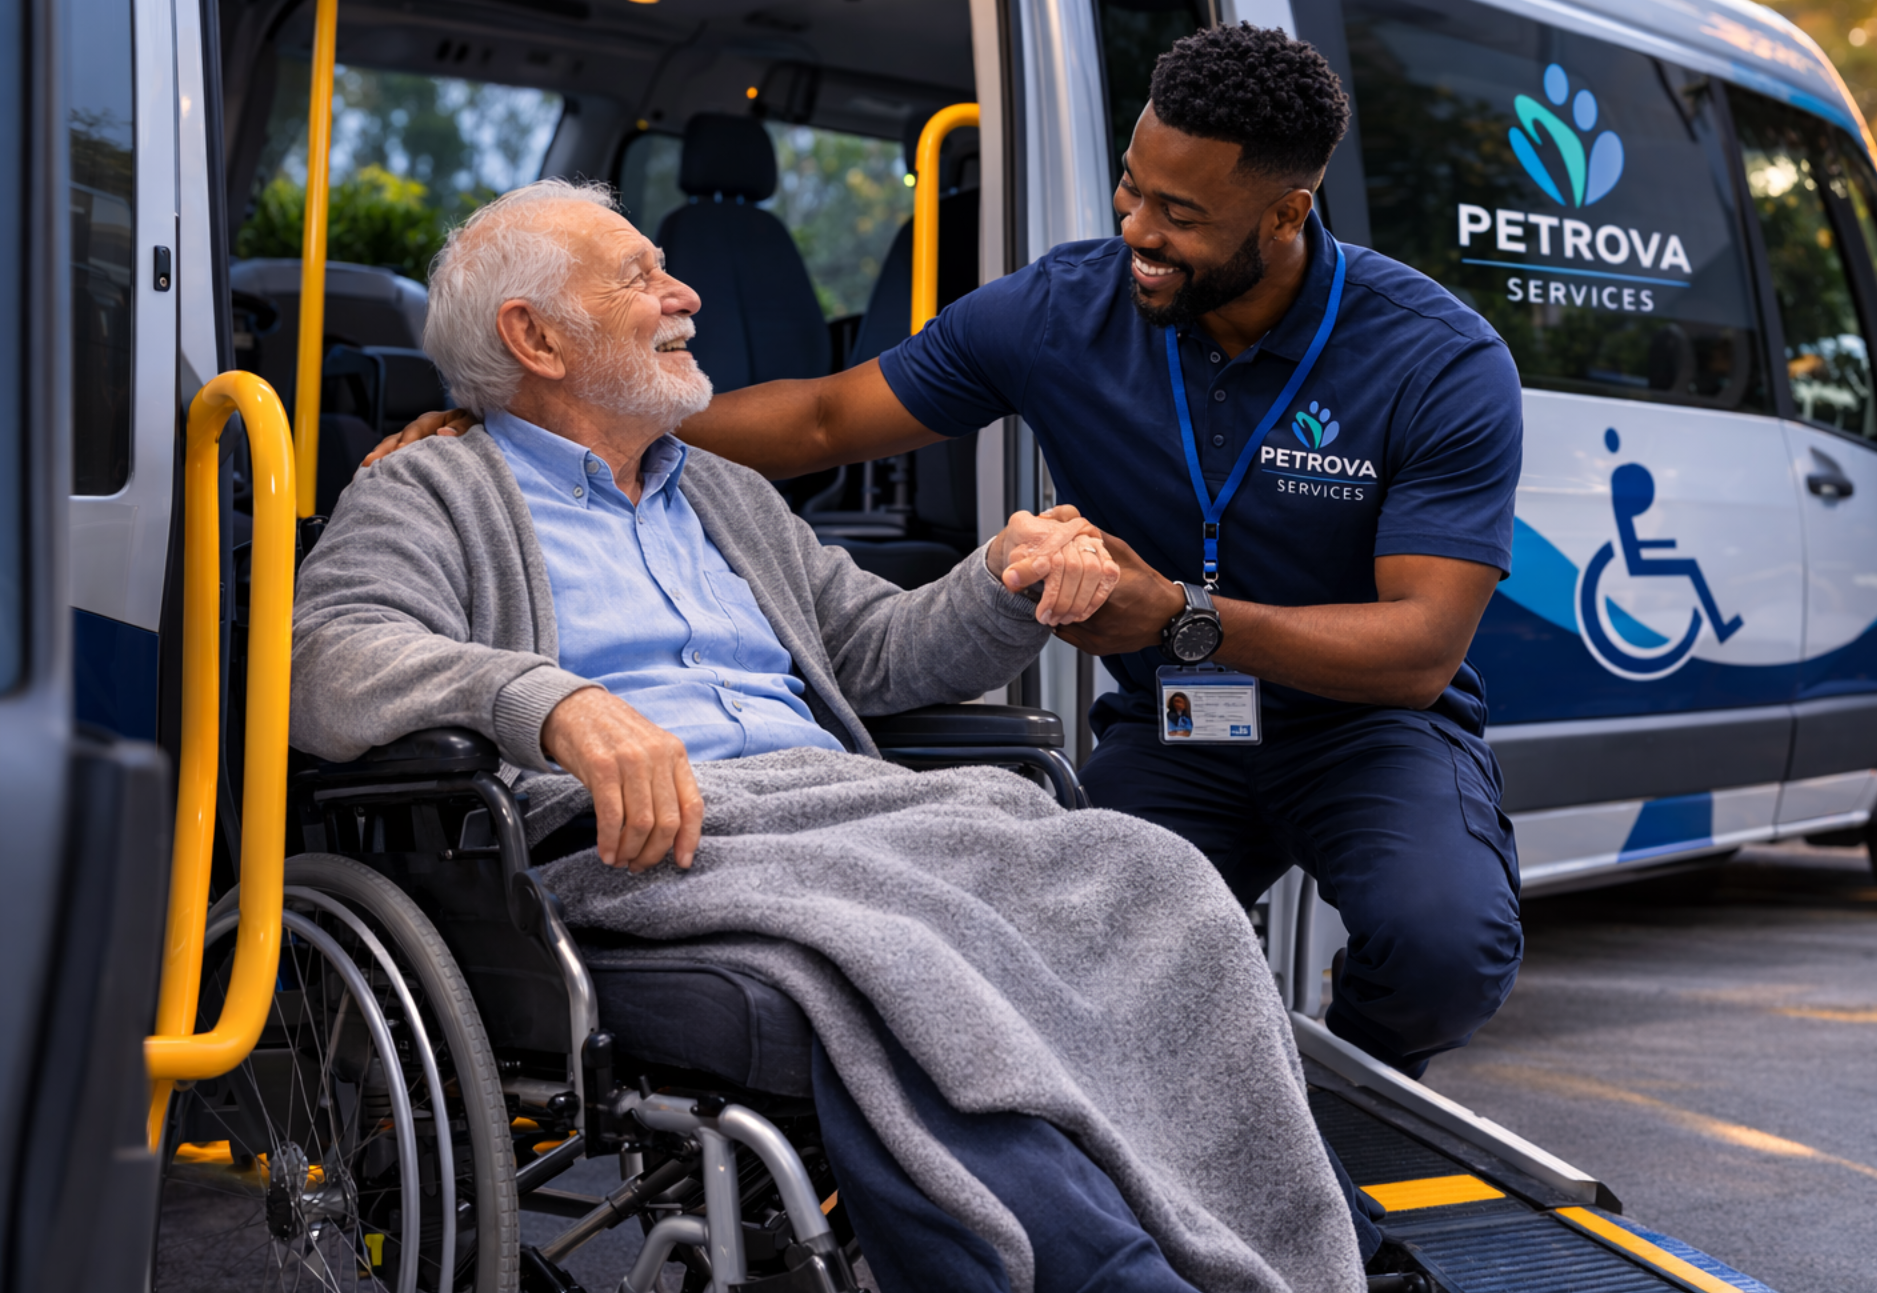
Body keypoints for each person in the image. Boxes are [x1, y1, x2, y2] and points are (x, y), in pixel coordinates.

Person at [374, 24, 1525, 1080]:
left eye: (1178, 214)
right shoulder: (1059, 310)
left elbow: (1418, 650)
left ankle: (1349, 1103)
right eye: (1130, 188)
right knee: (1088, 952)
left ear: (1284, 214)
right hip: (1177, 729)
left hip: (1363, 726)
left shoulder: (1434, 360)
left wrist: (1180, 616)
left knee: (1440, 952)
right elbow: (824, 421)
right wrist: (542, 415)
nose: (1135, 231)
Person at [298, 180, 1378, 1292]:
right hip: (647, 844)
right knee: (906, 959)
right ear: (534, 336)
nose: (686, 294)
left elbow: (872, 652)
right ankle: (1108, 1274)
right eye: (638, 277)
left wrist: (1003, 578)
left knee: (1152, 874)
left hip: (843, 814)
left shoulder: (723, 493)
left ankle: (1293, 1248)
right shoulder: (432, 489)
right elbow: (326, 656)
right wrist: (552, 703)